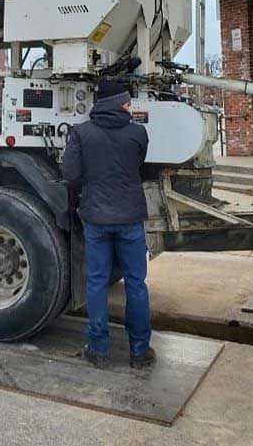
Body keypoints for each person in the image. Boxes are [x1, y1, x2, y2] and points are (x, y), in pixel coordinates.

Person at [61, 79, 155, 369]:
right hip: (130, 219)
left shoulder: (80, 133)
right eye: (127, 102)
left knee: (97, 282)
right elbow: (138, 165)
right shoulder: (138, 133)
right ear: (118, 104)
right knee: (136, 284)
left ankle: (99, 350)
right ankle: (139, 352)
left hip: (96, 219)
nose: (129, 106)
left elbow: (71, 174)